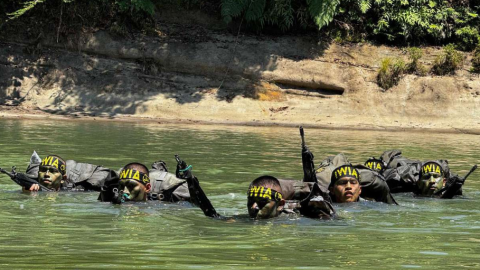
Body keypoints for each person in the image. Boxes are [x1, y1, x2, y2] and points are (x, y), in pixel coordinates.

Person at [374, 149, 477, 198]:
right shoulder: (407, 195)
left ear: (444, 181)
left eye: (436, 177)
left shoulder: (455, 195)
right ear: (418, 182)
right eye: (427, 177)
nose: (432, 181)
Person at [1, 152, 117, 192]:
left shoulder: (77, 190)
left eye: (52, 171)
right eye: (43, 170)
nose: (46, 174)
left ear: (63, 178)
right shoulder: (31, 185)